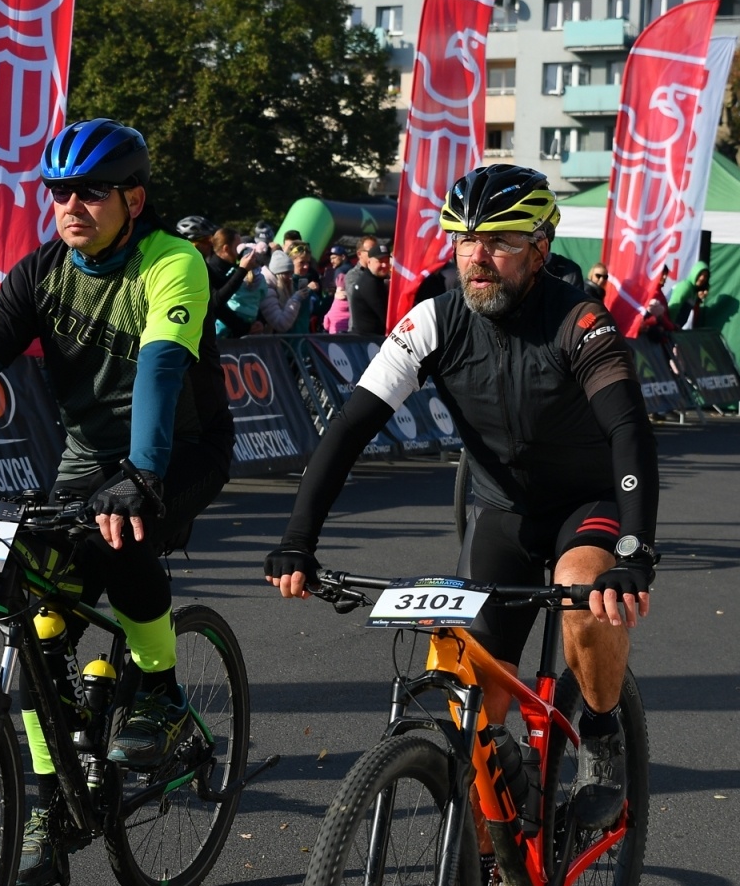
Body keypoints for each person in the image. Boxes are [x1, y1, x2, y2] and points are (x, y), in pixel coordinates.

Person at [0, 118, 234, 886]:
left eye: (90, 192)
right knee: (31, 613)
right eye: (58, 191)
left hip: (180, 449)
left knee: (122, 536)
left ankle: (160, 693)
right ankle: (50, 801)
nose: (70, 206)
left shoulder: (173, 262)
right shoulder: (40, 273)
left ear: (134, 200)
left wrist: (143, 475)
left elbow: (160, 372)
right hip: (89, 456)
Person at [265, 164, 659, 840]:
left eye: (500, 241)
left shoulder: (580, 321)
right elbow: (350, 427)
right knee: (471, 721)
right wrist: (299, 539)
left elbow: (629, 430)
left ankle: (601, 734)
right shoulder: (433, 321)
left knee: (584, 590)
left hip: (586, 504)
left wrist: (635, 550)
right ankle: (491, 864)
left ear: (540, 247)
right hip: (503, 513)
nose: (477, 255)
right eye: (465, 239)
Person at [204, 226, 256, 337]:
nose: (241, 252)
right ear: (226, 249)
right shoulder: (212, 269)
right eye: (238, 247)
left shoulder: (233, 267)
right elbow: (217, 303)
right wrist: (242, 270)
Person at [259, 249, 316, 333]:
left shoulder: (284, 286)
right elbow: (281, 324)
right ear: (278, 274)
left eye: (291, 273)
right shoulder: (267, 291)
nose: (290, 277)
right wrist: (296, 299)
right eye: (286, 273)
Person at [347, 242, 391, 335]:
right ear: (369, 262)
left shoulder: (375, 279)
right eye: (380, 261)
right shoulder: (369, 283)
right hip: (368, 340)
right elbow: (387, 316)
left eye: (387, 261)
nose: (384, 265)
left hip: (371, 338)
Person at [668, 262, 710, 329]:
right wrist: (669, 327)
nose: (702, 278)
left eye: (705, 276)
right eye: (700, 274)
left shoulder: (693, 291)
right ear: (695, 273)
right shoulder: (686, 286)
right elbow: (673, 307)